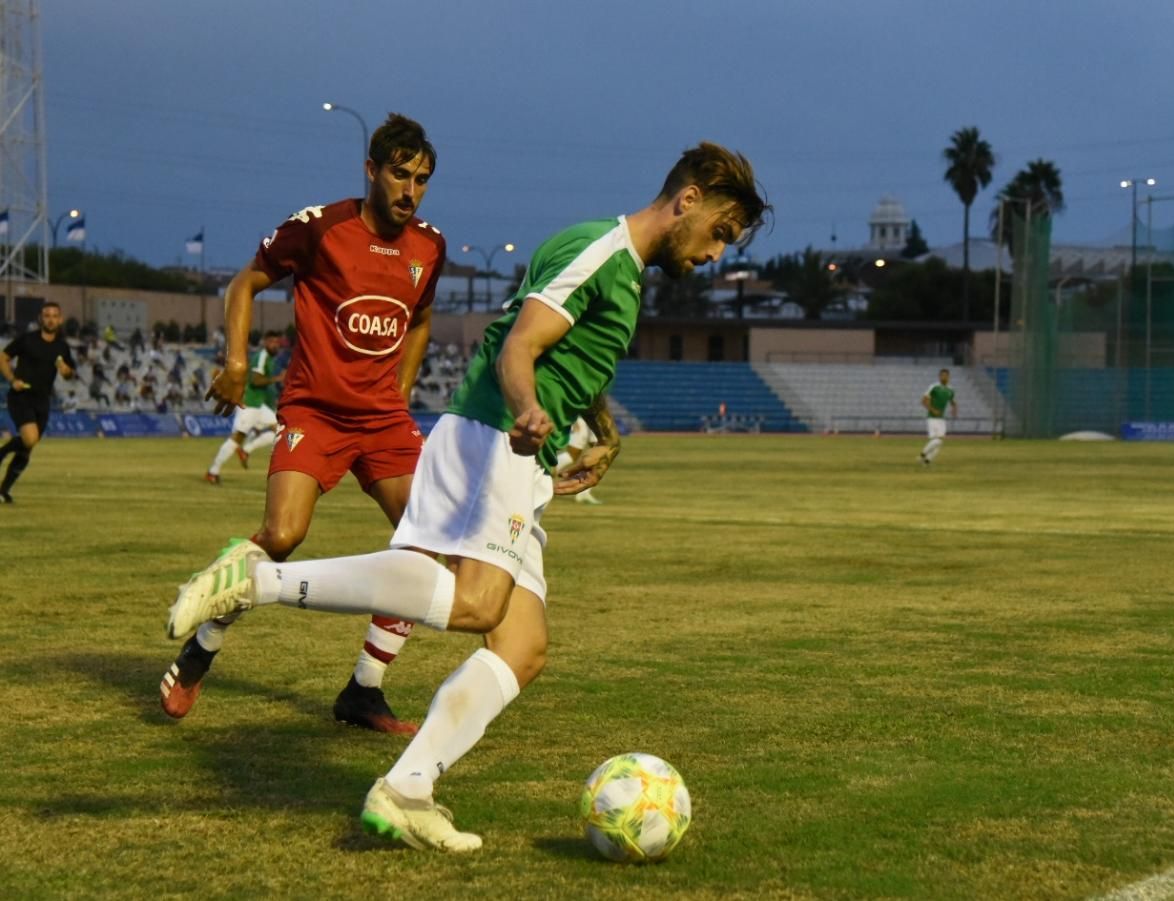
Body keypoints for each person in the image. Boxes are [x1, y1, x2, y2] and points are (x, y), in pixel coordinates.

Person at [166, 141, 769, 851]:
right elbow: (520, 345)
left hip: (517, 446)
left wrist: (602, 433)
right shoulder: (601, 252)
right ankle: (256, 579)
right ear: (688, 199)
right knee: (478, 602)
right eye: (721, 233)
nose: (717, 253)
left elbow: (571, 357)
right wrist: (527, 411)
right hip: (497, 434)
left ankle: (406, 789)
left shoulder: (621, 270)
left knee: (522, 643)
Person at [159, 113, 446, 735]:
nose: (410, 190)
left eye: (422, 179)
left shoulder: (429, 246)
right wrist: (236, 361)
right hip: (314, 411)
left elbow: (420, 317)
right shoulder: (320, 229)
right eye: (400, 175)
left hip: (383, 422)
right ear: (370, 170)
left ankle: (364, 691)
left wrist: (400, 388)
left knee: (428, 546)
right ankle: (202, 646)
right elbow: (246, 282)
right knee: (283, 535)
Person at [0, 302, 77, 503]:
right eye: (47, 315)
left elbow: (70, 374)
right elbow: (3, 357)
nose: (50, 319)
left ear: (60, 320)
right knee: (30, 438)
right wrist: (12, 379)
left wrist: (65, 370)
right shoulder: (27, 340)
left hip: (43, 400)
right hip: (21, 396)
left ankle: (4, 490)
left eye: (54, 316)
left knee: (28, 447)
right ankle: (1, 453)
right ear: (41, 318)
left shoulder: (62, 347)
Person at [204, 330, 285, 485]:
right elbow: (255, 380)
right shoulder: (262, 356)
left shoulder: (269, 358)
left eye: (277, 342)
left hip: (259, 406)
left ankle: (246, 450)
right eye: (273, 342)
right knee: (237, 438)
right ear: (266, 342)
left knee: (281, 430)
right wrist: (277, 378)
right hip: (248, 404)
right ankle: (212, 471)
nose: (276, 345)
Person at [557, 417, 603, 504]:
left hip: (595, 416)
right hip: (581, 417)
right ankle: (542, 472)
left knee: (599, 454)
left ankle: (584, 492)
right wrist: (574, 420)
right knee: (571, 455)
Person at [919, 368, 957, 466]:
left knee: (940, 442)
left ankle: (927, 461)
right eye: (942, 375)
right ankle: (922, 454)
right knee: (937, 440)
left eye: (946, 375)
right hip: (932, 418)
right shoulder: (934, 387)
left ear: (949, 377)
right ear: (939, 377)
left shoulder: (951, 390)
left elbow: (953, 402)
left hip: (941, 419)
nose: (944, 377)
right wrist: (933, 410)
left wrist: (954, 409)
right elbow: (923, 401)